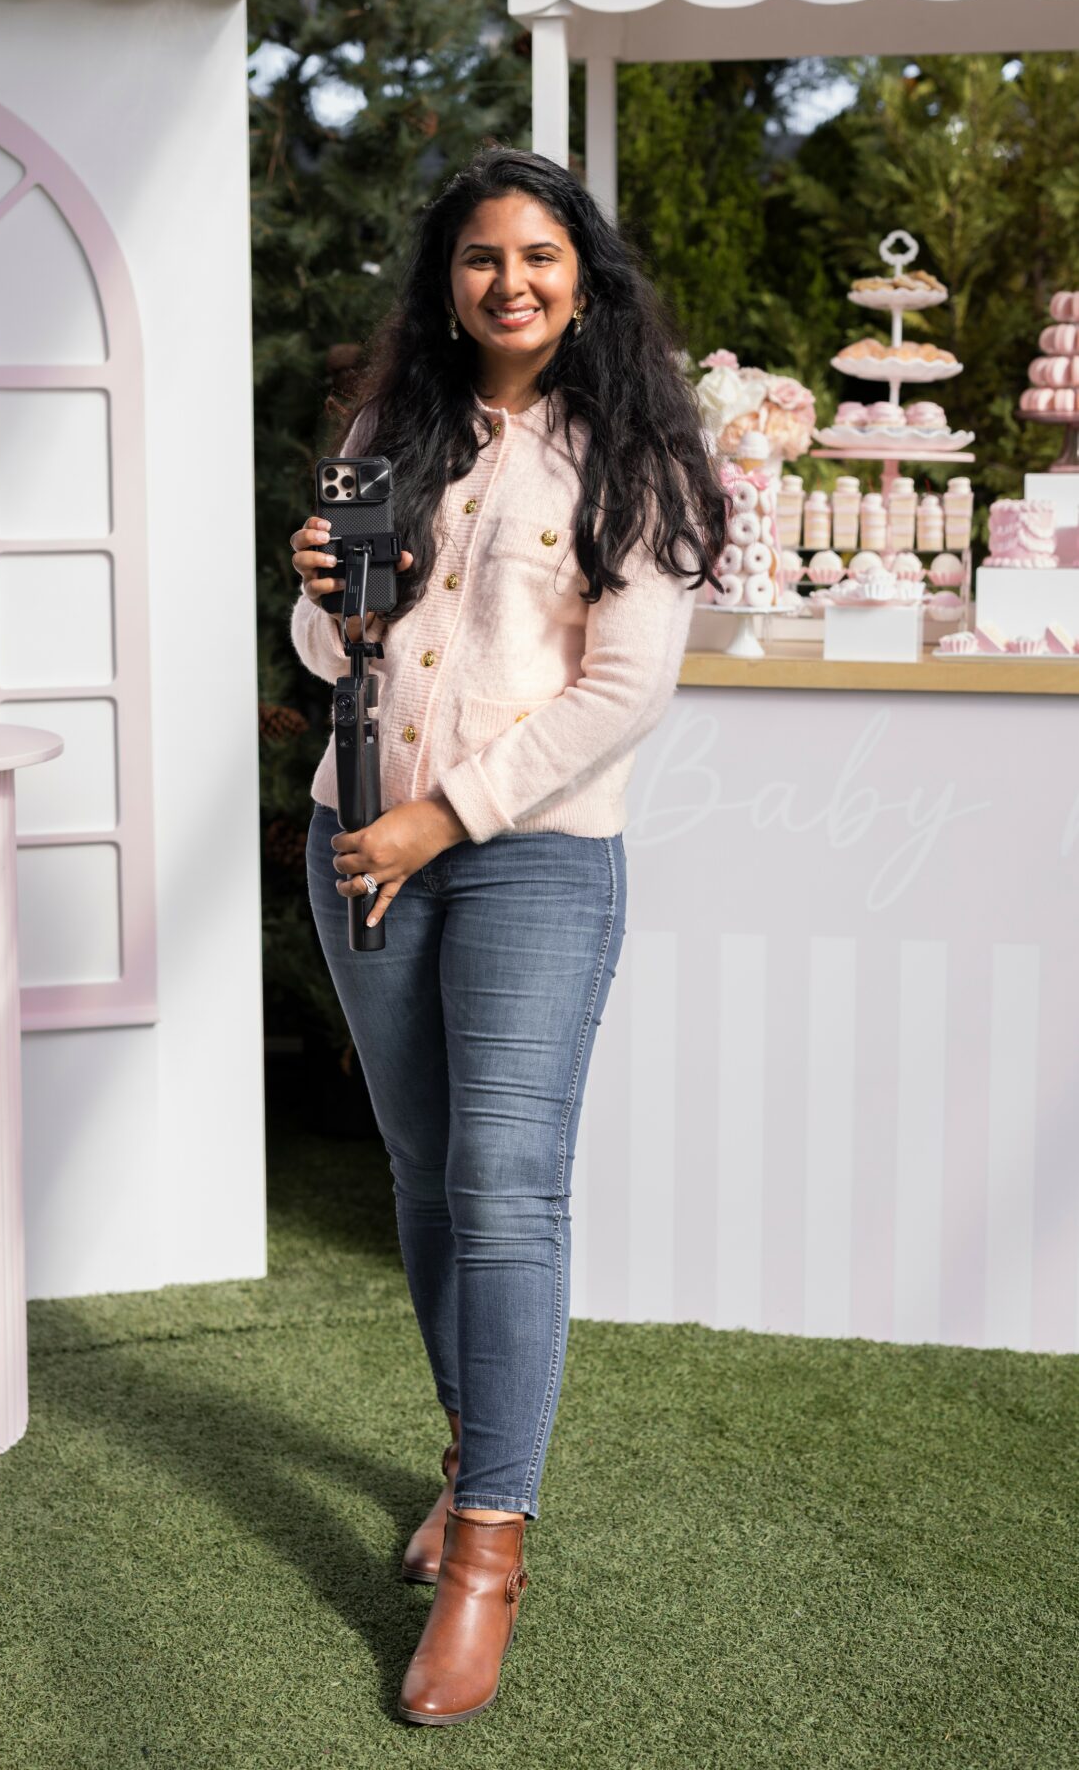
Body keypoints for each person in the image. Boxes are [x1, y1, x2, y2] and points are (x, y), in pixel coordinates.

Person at [288, 144, 725, 1726]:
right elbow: (338, 639)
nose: (510, 282)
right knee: (420, 1174)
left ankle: (487, 1555)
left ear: (584, 277)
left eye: (539, 256)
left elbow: (626, 691)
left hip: (524, 860)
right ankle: (468, 1455)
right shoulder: (387, 431)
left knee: (504, 1188)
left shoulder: (643, 460)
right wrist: (314, 589)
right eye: (481, 259)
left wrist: (434, 817)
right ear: (447, 282)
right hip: (361, 849)